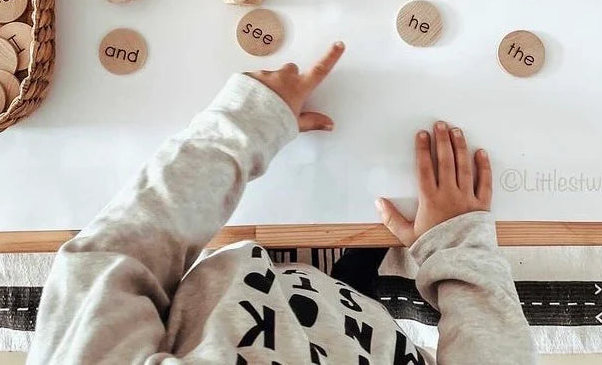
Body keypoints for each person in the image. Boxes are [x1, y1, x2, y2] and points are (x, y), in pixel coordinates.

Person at [29, 42, 535, 364]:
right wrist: (458, 247)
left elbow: (115, 259)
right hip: (360, 330)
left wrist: (242, 127)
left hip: (239, 293)